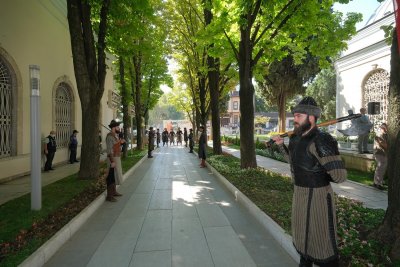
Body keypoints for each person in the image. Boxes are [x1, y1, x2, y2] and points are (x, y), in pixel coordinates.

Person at [272, 96, 347, 267]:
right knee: (302, 239)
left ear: (311, 117)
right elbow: (293, 162)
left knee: (322, 242)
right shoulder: (296, 138)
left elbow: (339, 177)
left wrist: (323, 166)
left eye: (299, 115)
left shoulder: (322, 140)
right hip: (299, 194)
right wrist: (280, 145)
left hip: (318, 196)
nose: (295, 119)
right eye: (295, 115)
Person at [105, 120, 125, 201]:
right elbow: (110, 150)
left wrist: (120, 142)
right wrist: (112, 161)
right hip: (112, 158)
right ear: (113, 127)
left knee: (115, 175)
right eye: (117, 127)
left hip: (117, 157)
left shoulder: (115, 136)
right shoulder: (110, 137)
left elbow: (115, 146)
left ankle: (114, 192)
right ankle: (109, 196)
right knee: (110, 176)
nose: (119, 128)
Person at [373, 123, 388, 190]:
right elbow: (385, 145)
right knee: (381, 169)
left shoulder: (385, 135)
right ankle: (378, 184)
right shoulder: (380, 135)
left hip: (382, 154)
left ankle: (376, 183)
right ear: (381, 128)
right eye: (383, 128)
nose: (385, 129)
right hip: (380, 153)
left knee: (380, 169)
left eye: (385, 128)